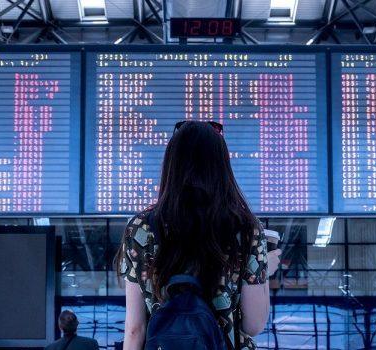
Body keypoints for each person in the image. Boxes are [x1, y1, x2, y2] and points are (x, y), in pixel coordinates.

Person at [116, 120, 282, 350]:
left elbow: (135, 329)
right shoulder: (245, 228)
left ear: (171, 165)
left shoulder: (140, 227)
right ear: (221, 166)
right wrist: (264, 273)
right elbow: (253, 324)